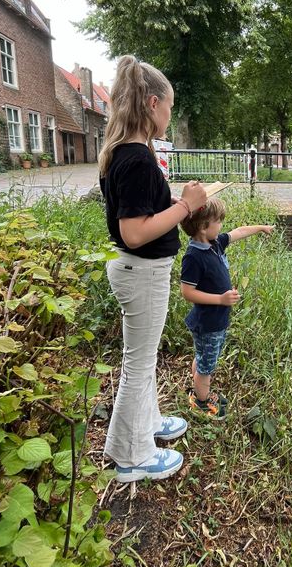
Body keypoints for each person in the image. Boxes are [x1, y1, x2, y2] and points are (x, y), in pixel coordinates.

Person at [99, 55, 207, 482]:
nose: (169, 115)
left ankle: (147, 426)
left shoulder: (124, 152)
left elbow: (142, 213)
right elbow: (134, 232)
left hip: (138, 272)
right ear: (151, 102)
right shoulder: (137, 158)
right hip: (141, 272)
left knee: (142, 359)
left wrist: (175, 203)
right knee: (138, 365)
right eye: (169, 107)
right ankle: (131, 456)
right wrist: (185, 206)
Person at [180, 197, 274, 419]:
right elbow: (187, 292)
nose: (222, 225)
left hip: (214, 321)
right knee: (207, 366)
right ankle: (201, 402)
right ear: (203, 226)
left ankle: (197, 388)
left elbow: (239, 232)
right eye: (218, 221)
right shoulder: (193, 257)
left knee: (203, 355)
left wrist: (261, 228)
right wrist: (220, 300)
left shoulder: (214, 243)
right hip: (208, 322)